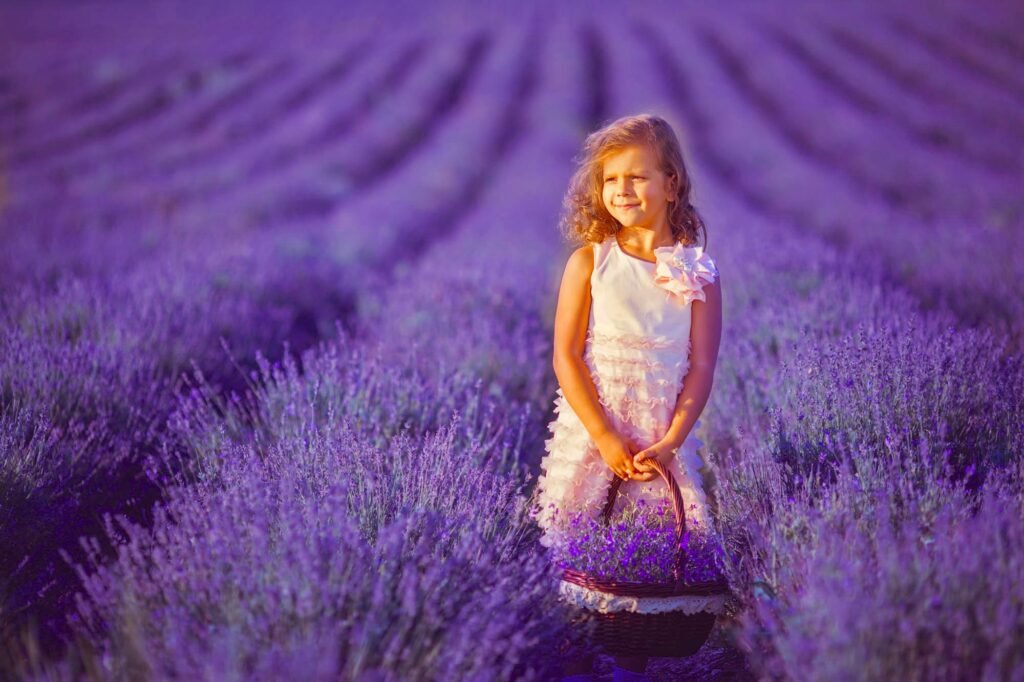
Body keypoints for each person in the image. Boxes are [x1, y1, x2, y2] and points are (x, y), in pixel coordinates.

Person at [531, 114, 723, 682]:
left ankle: (627, 664)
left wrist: (670, 442)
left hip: (656, 443)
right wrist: (604, 434)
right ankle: (572, 656)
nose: (623, 190)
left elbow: (702, 367)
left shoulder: (699, 275)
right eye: (612, 179)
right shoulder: (591, 261)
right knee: (574, 539)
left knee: (644, 559)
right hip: (596, 428)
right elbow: (565, 356)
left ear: (672, 183)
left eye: (638, 177)